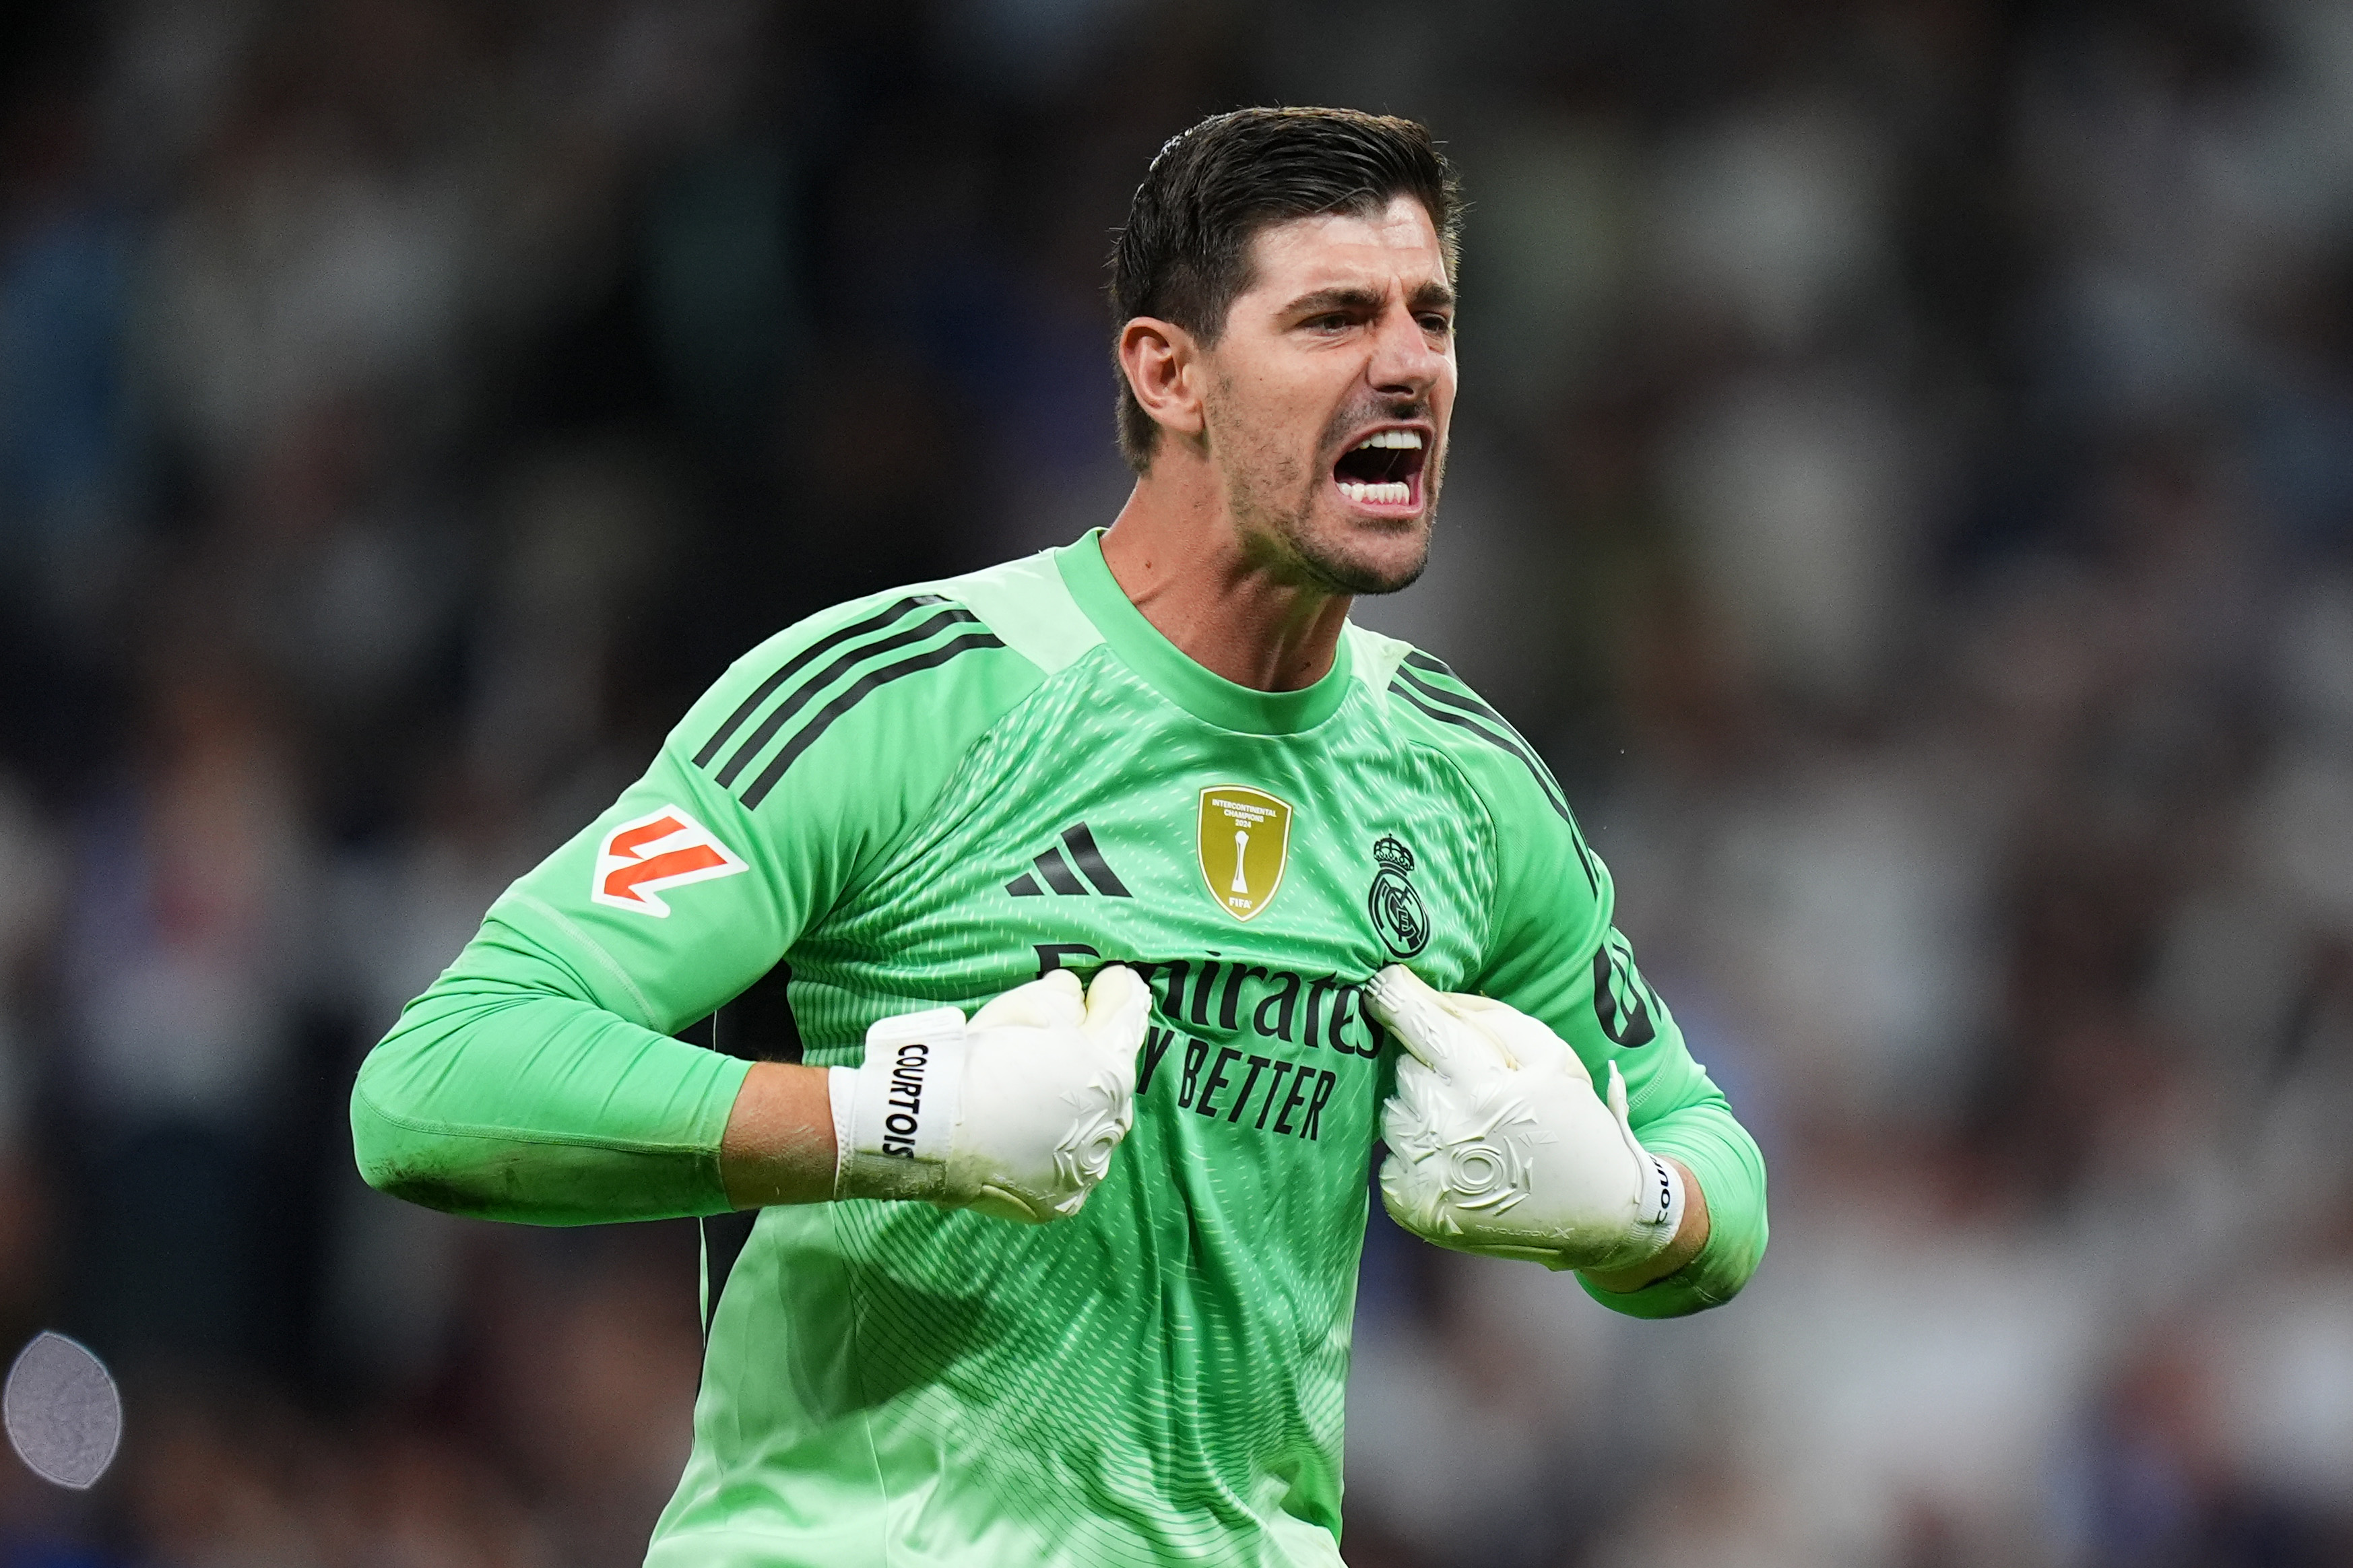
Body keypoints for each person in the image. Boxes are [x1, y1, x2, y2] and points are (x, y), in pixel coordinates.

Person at [352, 105, 1767, 1567]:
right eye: (1335, 317)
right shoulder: (898, 702)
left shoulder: (1465, 783)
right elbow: (438, 1087)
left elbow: (1713, 1166)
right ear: (1169, 373)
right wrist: (892, 1127)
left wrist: (1630, 1208)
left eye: (1432, 318)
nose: (1406, 364)